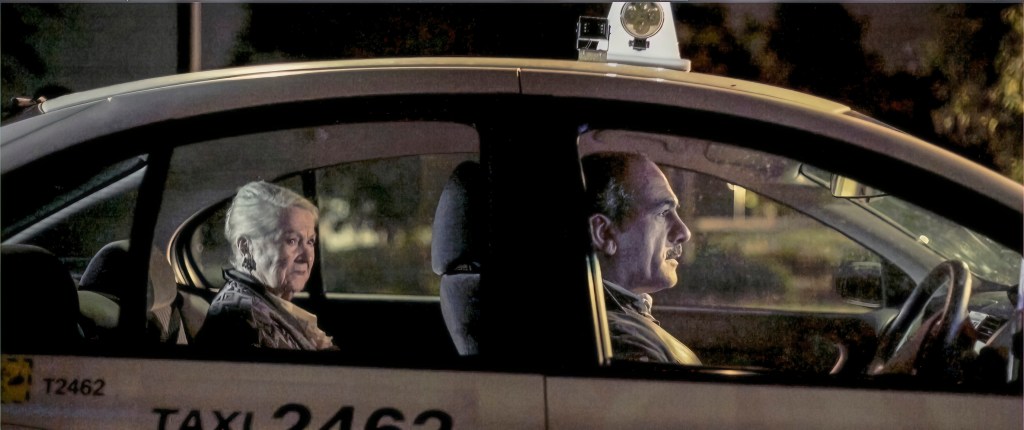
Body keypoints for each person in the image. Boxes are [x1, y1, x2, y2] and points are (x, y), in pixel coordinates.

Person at [582, 152, 701, 365]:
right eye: (663, 212)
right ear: (604, 234)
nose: (684, 232)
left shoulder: (616, 322)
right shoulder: (623, 342)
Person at [196, 181, 335, 350]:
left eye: (310, 241)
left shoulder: (265, 305)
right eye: (291, 240)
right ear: (246, 247)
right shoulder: (243, 321)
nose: (307, 256)